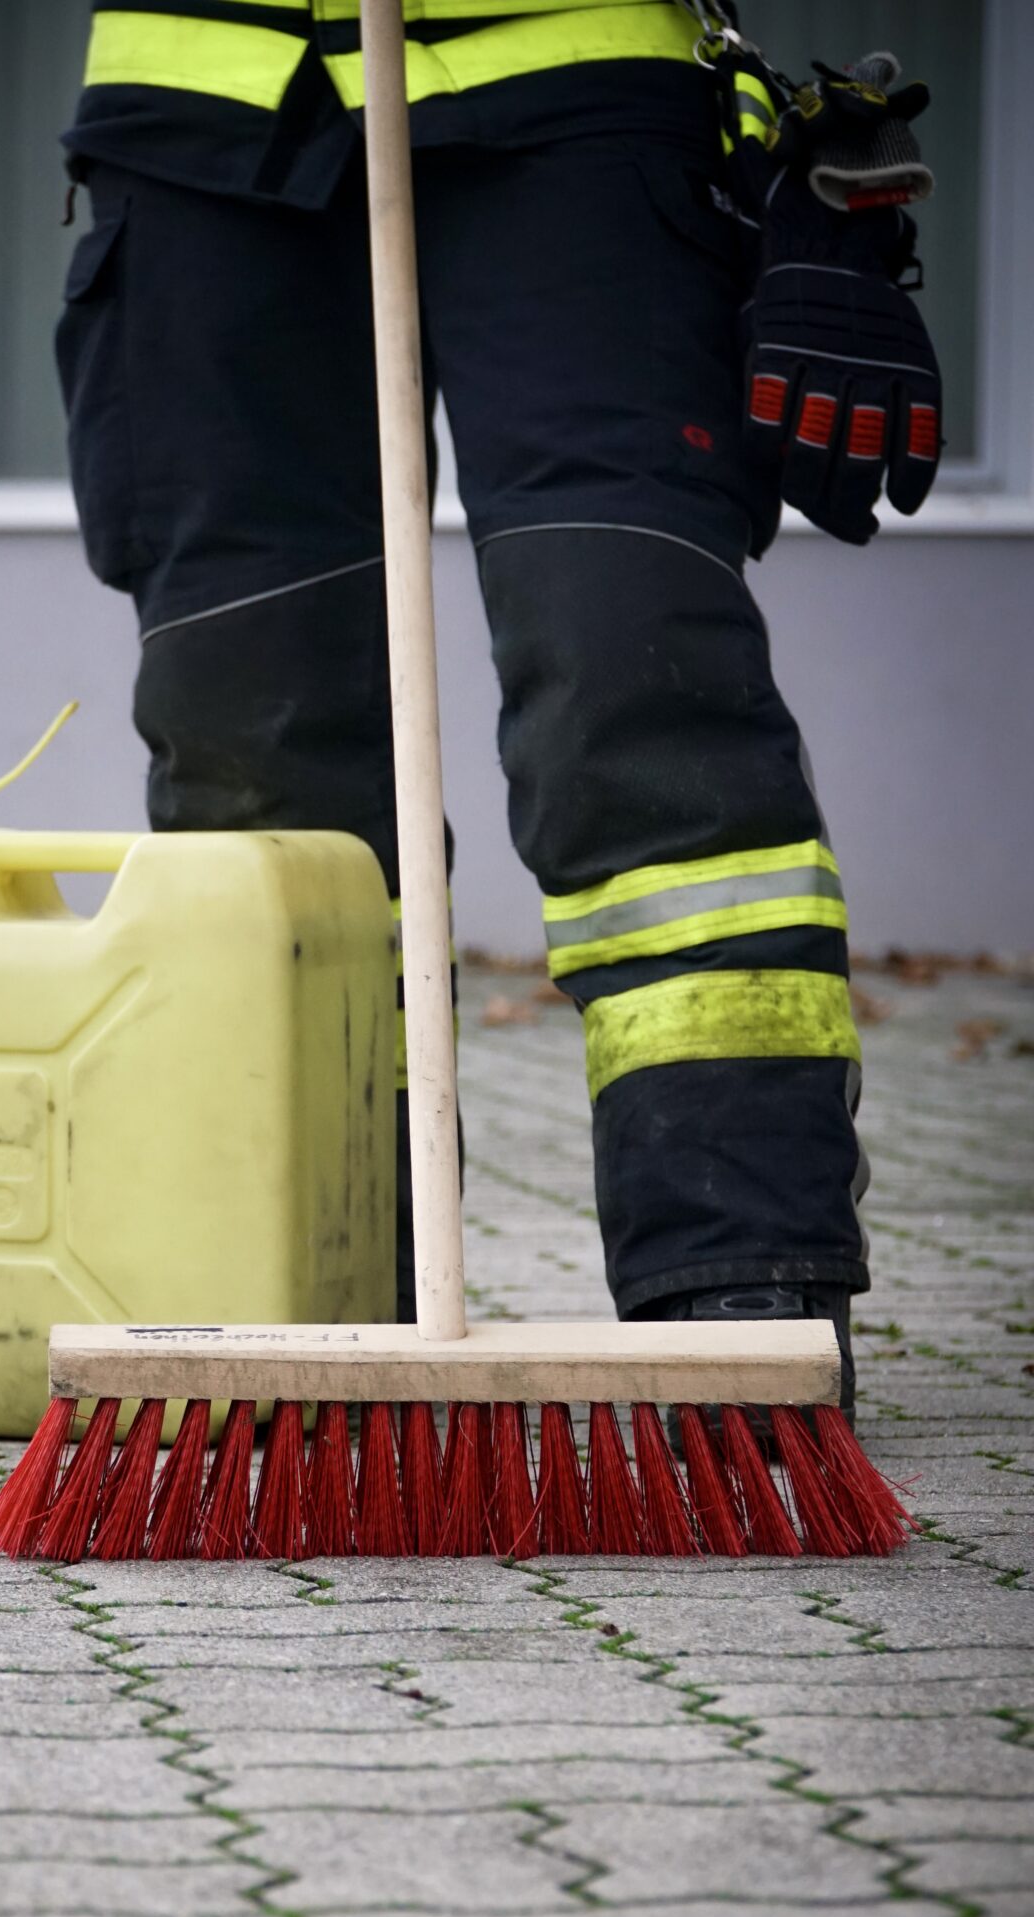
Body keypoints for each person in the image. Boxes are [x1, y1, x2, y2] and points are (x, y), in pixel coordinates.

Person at [54, 0, 943, 1420]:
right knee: (253, 767)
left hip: (573, 96)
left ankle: (738, 1280)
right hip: (200, 126)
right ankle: (318, 1274)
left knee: (635, 686)